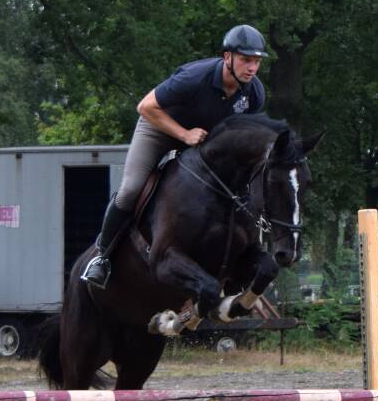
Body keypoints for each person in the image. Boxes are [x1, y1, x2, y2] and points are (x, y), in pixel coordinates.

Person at [81, 24, 269, 289]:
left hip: (202, 141)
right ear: (227, 57)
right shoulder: (195, 77)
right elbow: (145, 106)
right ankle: (102, 258)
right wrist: (183, 135)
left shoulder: (254, 93)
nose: (252, 68)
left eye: (257, 62)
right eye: (246, 60)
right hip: (159, 127)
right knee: (131, 188)